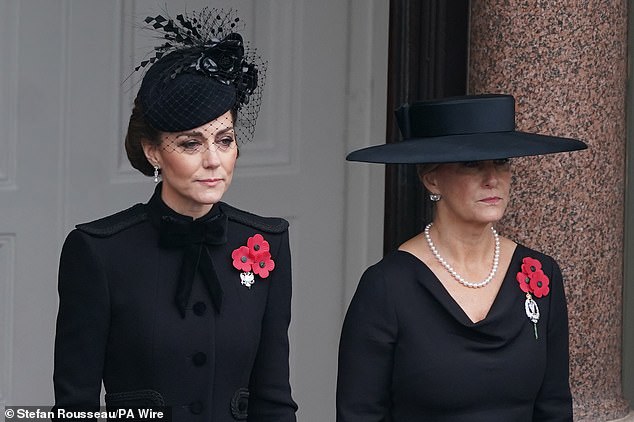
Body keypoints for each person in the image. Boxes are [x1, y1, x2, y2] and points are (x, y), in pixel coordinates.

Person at [53, 9, 297, 421]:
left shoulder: (266, 243)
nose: (212, 161)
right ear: (153, 152)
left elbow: (273, 400)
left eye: (224, 140)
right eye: (189, 144)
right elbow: (74, 408)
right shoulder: (98, 253)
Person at [337, 94, 587, 421]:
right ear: (431, 177)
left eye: (502, 162)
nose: (492, 179)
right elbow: (360, 415)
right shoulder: (387, 286)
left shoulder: (541, 274)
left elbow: (553, 408)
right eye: (472, 163)